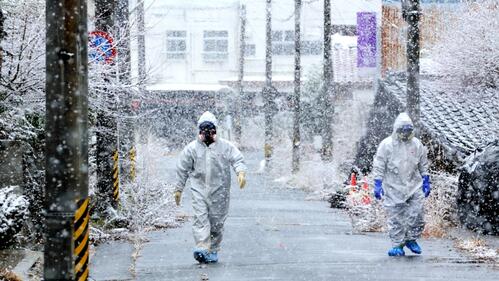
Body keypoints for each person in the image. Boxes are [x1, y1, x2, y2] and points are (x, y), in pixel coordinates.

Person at [174, 111, 247, 263]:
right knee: (200, 219)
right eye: (204, 131)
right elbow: (182, 169)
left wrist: (241, 173)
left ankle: (212, 249)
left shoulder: (225, 147)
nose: (207, 134)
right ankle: (201, 247)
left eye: (210, 131)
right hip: (199, 189)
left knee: (217, 222)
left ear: (216, 131)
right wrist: (178, 189)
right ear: (199, 131)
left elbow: (237, 159)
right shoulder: (192, 149)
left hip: (220, 190)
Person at [372, 112, 431, 256]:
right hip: (393, 186)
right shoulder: (386, 145)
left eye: (408, 130)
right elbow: (379, 164)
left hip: (414, 185)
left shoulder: (417, 144)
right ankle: (397, 244)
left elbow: (423, 163)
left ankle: (411, 239)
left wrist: (426, 180)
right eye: (403, 130)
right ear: (396, 129)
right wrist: (378, 183)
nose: (406, 133)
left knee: (417, 213)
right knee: (396, 217)